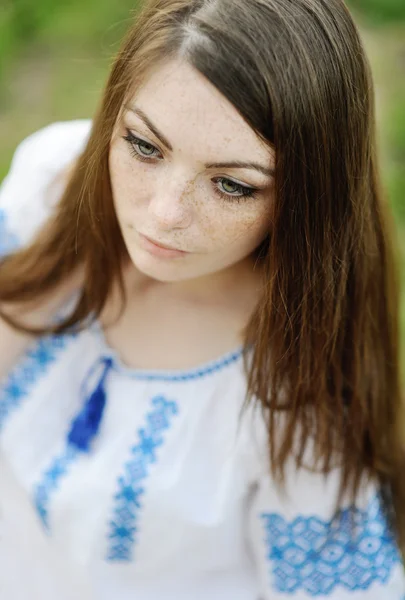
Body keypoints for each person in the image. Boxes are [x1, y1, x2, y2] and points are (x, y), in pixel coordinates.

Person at [0, 0, 404, 598]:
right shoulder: (53, 181)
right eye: (144, 146)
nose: (164, 213)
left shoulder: (299, 418)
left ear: (307, 197)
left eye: (232, 184)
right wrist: (55, 266)